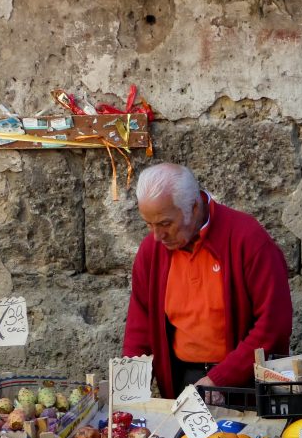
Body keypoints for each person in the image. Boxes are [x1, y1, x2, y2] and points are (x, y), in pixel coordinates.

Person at [122, 163, 293, 399]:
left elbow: (274, 324)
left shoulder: (247, 239)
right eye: (148, 224)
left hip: (243, 381)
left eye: (165, 224)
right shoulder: (152, 250)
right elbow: (140, 325)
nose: (157, 236)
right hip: (183, 378)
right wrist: (128, 388)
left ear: (193, 207)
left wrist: (221, 378)